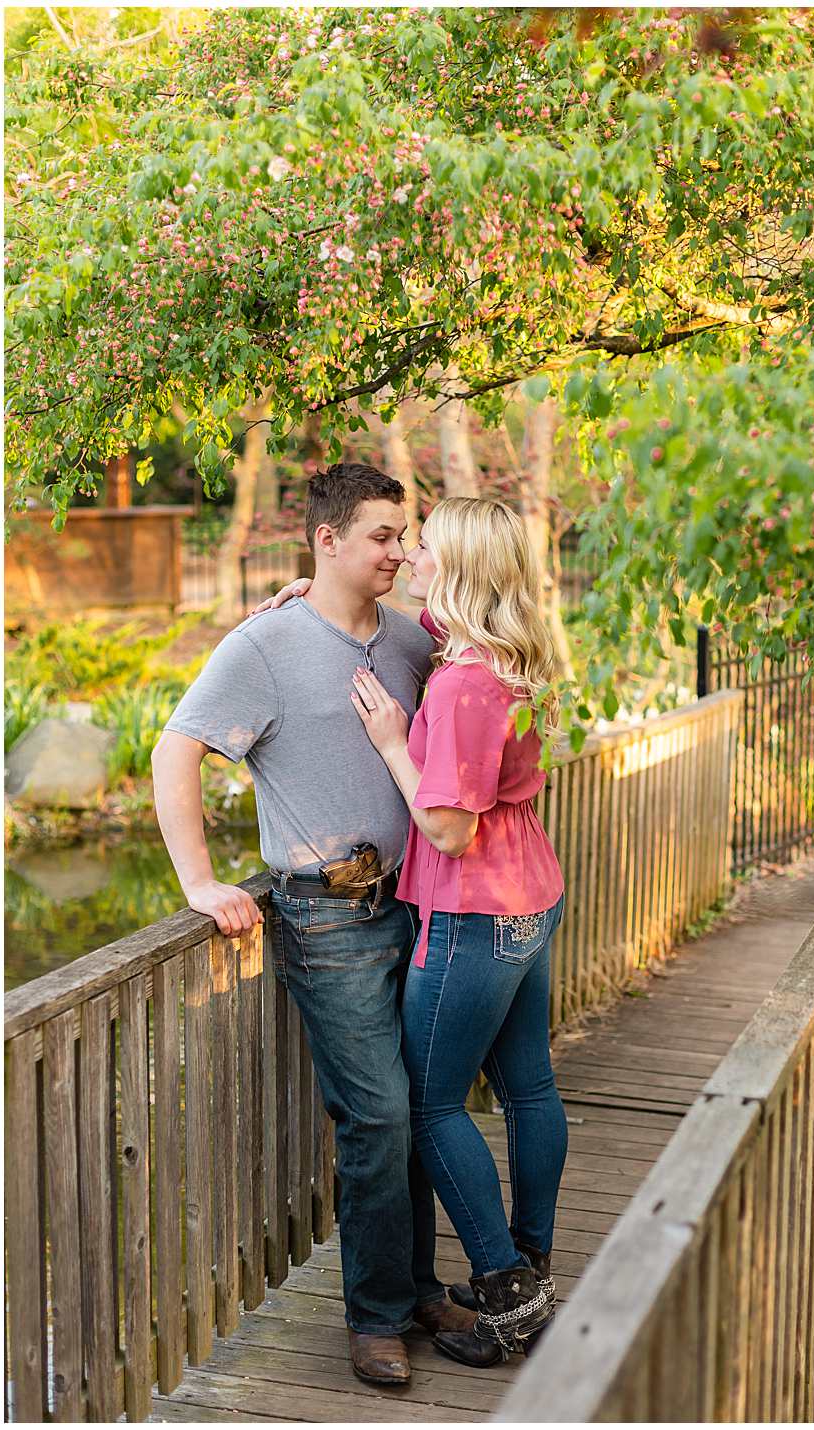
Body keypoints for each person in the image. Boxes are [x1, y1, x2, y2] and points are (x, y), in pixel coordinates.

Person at [150, 462, 477, 1388]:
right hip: (323, 916)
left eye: (403, 534)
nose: (400, 550)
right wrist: (200, 881)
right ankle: (376, 1315)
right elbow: (175, 753)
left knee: (416, 1107)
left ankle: (415, 1290)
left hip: (415, 906)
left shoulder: (416, 643)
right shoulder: (264, 646)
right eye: (381, 534)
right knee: (374, 1113)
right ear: (325, 540)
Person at [341, 496, 568, 1364]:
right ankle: (532, 1263)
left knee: (431, 1104)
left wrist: (395, 741)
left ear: (462, 565)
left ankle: (510, 1293)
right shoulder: (504, 652)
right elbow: (413, 609)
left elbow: (447, 828)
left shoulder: (469, 683)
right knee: (529, 1089)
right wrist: (313, 587)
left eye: (425, 547)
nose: (409, 557)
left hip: (475, 912)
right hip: (526, 896)